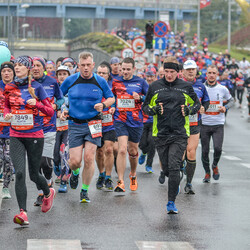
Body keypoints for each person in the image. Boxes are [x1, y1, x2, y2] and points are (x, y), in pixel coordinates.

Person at [142, 56, 201, 214]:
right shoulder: (155, 86)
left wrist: (188, 110)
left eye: (172, 72)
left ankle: (171, 203)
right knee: (167, 169)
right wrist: (153, 110)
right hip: (160, 133)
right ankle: (175, 180)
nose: (169, 75)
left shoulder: (185, 87)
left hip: (180, 133)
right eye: (166, 71)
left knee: (174, 167)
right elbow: (145, 107)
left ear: (179, 72)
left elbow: (197, 104)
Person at [4, 55, 55, 226]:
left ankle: (48, 192)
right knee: (19, 173)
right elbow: (6, 106)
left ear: (28, 69)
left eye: (20, 65)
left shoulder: (37, 88)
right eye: (15, 65)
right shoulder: (9, 87)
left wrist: (37, 103)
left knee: (34, 175)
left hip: (34, 135)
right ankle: (23, 213)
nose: (16, 68)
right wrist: (7, 114)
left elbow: (50, 112)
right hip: (16, 135)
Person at [60, 52, 115, 203]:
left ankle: (84, 191)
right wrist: (63, 108)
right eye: (82, 65)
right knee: (74, 161)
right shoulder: (70, 80)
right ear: (78, 66)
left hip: (94, 124)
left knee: (89, 158)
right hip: (75, 124)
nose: (85, 68)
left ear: (93, 66)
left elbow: (111, 98)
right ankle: (75, 172)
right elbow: (58, 97)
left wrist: (103, 105)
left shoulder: (100, 81)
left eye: (88, 65)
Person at [112, 57, 148, 192]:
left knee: (133, 151)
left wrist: (141, 98)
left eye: (128, 69)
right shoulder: (116, 82)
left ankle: (133, 174)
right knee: (122, 149)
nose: (125, 72)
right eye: (123, 69)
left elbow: (150, 97)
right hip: (120, 120)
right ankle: (120, 181)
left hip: (136, 121)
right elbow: (111, 97)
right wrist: (112, 106)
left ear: (133, 69)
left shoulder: (140, 82)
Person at [32, 56, 64, 206]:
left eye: (38, 65)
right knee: (35, 164)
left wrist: (56, 105)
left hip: (49, 127)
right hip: (31, 128)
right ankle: (41, 193)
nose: (35, 68)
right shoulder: (27, 84)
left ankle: (49, 183)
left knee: (45, 161)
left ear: (43, 67)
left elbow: (60, 98)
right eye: (33, 65)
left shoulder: (52, 82)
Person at [201, 65, 234, 183]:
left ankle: (214, 165)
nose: (211, 75)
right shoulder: (201, 88)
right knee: (204, 151)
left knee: (218, 148)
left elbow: (232, 100)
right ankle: (207, 173)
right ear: (206, 74)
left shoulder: (222, 88)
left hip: (218, 124)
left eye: (214, 73)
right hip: (204, 124)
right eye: (209, 72)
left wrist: (225, 108)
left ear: (217, 75)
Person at [182, 60, 210, 194]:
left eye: (192, 69)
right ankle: (177, 175)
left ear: (196, 71)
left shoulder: (200, 86)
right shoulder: (178, 85)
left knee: (191, 152)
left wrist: (204, 107)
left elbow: (206, 101)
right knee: (180, 155)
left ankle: (188, 183)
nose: (190, 71)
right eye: (188, 69)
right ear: (183, 71)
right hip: (179, 124)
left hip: (194, 123)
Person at [95, 63, 116, 190]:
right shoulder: (92, 87)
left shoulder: (113, 88)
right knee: (99, 152)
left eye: (104, 73)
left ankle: (108, 177)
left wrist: (114, 108)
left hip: (110, 124)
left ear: (109, 75)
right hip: (96, 125)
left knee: (109, 150)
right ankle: (101, 174)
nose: (101, 75)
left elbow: (118, 101)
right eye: (99, 73)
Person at [53, 65, 71, 193]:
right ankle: (56, 166)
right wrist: (58, 113)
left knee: (65, 153)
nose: (62, 76)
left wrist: (67, 113)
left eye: (65, 74)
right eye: (60, 74)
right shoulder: (53, 90)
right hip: (55, 127)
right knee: (55, 155)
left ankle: (64, 181)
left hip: (69, 127)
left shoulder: (73, 91)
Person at [138, 66, 157, 173]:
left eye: (152, 76)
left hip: (155, 120)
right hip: (142, 120)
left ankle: (149, 165)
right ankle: (143, 152)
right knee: (142, 144)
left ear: (155, 76)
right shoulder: (141, 85)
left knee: (152, 143)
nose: (149, 79)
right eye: (148, 76)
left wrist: (142, 98)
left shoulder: (158, 86)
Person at [0, 62, 14, 199]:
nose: (6, 73)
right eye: (4, 71)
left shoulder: (17, 87)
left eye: (9, 71)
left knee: (8, 159)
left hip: (12, 131)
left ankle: (5, 187)